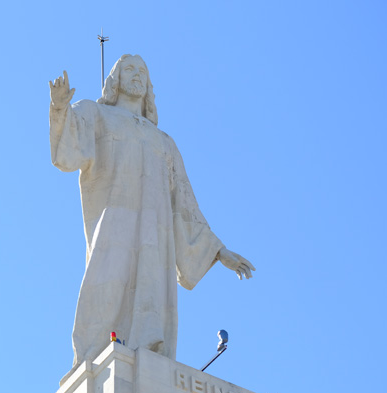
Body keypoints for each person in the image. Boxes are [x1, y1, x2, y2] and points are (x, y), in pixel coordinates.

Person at [49, 54, 254, 372]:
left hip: (154, 238)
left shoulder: (164, 142)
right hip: (113, 227)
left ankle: (148, 359)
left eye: (142, 71)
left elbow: (184, 205)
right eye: (129, 69)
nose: (137, 75)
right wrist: (60, 109)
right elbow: (67, 152)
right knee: (104, 289)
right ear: (114, 80)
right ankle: (88, 362)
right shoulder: (96, 114)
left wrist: (217, 251)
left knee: (150, 299)